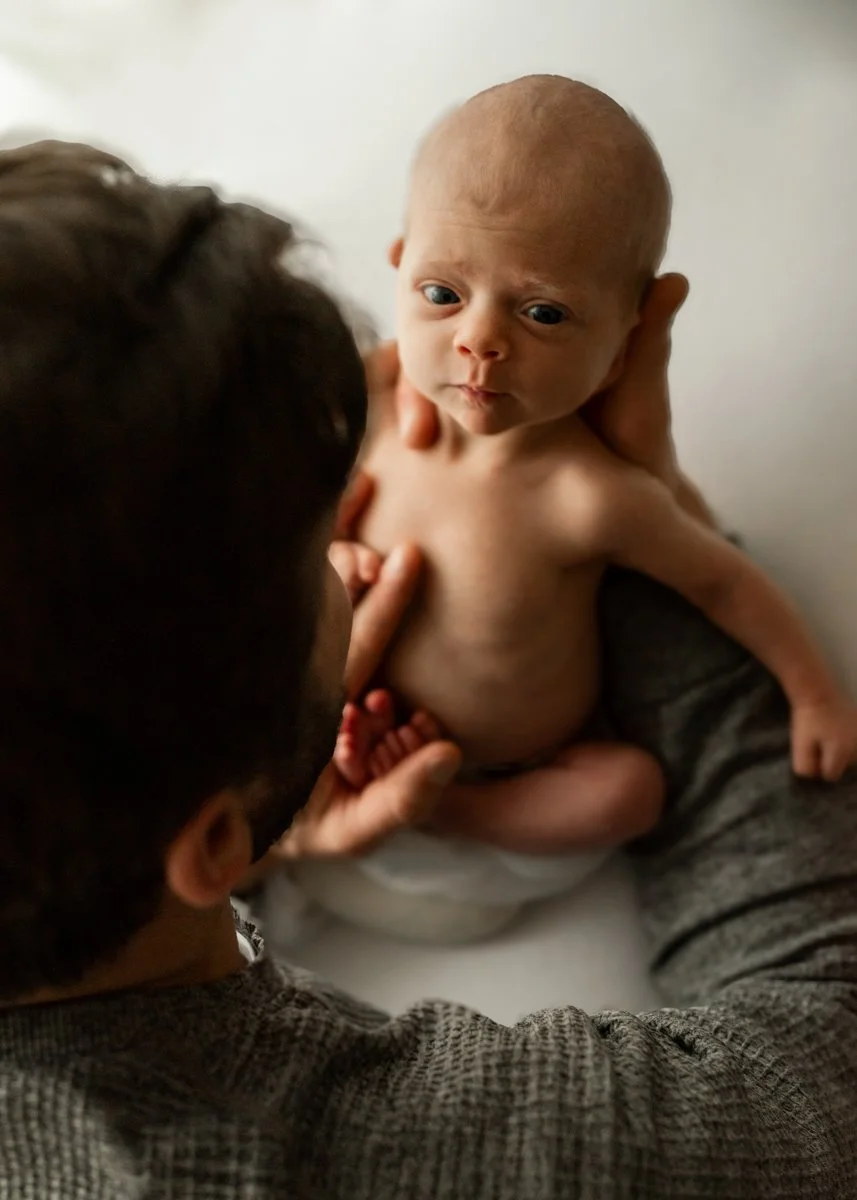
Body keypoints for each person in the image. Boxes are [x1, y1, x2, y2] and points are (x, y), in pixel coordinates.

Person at [1, 140, 856, 1199]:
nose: (348, 544)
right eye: (315, 542)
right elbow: (819, 1077)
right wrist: (630, 509)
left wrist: (249, 840)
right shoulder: (340, 1151)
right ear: (209, 834)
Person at [289, 75, 857, 942]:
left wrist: (813, 694)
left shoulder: (587, 494)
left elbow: (722, 583)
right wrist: (330, 545)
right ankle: (363, 809)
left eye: (543, 311)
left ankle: (442, 813)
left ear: (625, 339)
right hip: (344, 743)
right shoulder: (369, 396)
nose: (479, 340)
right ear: (400, 266)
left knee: (628, 789)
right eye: (442, 294)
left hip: (519, 776)